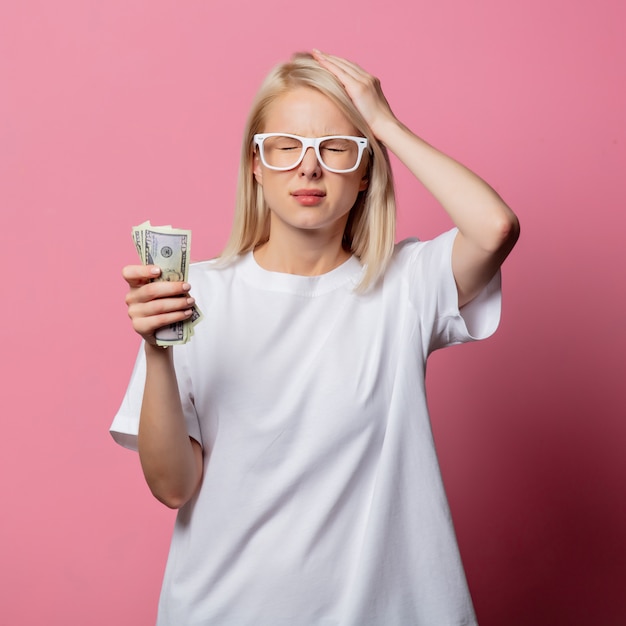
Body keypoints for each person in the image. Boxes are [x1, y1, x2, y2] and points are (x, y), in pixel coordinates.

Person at [111, 50, 520, 625]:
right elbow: (174, 487)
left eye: (335, 148)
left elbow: (495, 226)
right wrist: (158, 350)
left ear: (365, 171)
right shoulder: (192, 292)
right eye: (286, 146)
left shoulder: (405, 285)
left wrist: (385, 125)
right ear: (255, 164)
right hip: (225, 610)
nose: (309, 168)